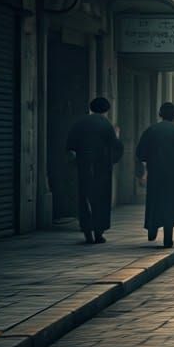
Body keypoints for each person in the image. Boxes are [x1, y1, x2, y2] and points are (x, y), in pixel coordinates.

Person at [135, 102, 174, 248]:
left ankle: (152, 227)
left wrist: (142, 170)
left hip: (155, 173)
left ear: (160, 114)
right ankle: (168, 237)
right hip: (172, 175)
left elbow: (140, 153)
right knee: (170, 204)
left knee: (154, 201)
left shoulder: (151, 130)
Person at [65, 96, 123, 244]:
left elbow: (70, 145)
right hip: (102, 167)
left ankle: (87, 231)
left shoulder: (80, 123)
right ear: (106, 110)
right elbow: (115, 146)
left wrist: (76, 162)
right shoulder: (106, 124)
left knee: (85, 198)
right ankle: (98, 233)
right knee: (101, 199)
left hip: (84, 166)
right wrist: (117, 138)